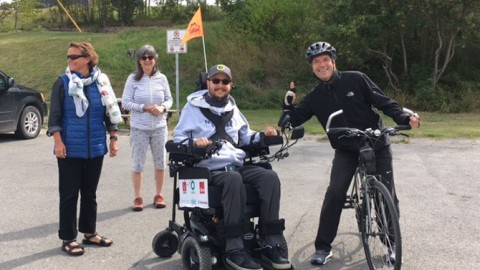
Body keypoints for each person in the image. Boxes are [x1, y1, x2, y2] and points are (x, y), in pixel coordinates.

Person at [283, 41, 421, 266]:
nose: (321, 65)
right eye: (316, 62)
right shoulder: (315, 97)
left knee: (385, 194)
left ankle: (392, 243)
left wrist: (404, 118)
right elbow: (293, 120)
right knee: (335, 193)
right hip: (346, 149)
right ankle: (323, 247)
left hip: (376, 143)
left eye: (325, 60)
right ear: (312, 67)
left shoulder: (356, 78)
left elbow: (384, 102)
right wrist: (288, 107)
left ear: (333, 61)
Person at [174, 64, 291, 270]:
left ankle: (270, 240)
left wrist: (264, 136)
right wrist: (195, 144)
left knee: (268, 177)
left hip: (234, 165)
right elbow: (179, 139)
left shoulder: (232, 109)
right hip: (208, 169)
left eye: (225, 82)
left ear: (231, 85)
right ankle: (234, 249)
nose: (220, 85)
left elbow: (246, 136)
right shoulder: (192, 108)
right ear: (208, 83)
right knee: (233, 180)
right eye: (216, 81)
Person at [47, 42, 120, 256]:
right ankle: (68, 238)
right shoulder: (62, 83)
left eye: (73, 57)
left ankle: (89, 232)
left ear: (87, 58)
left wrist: (113, 138)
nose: (69, 61)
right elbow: (55, 117)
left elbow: (110, 111)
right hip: (70, 149)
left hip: (95, 148)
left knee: (90, 193)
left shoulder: (101, 82)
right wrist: (58, 142)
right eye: (67, 57)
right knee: (69, 195)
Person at [121, 44, 173, 211]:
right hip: (139, 127)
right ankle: (137, 197)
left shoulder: (162, 78)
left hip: (159, 127)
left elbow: (169, 99)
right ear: (139, 61)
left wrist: (162, 108)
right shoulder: (133, 79)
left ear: (155, 60)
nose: (148, 60)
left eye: (150, 57)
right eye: (144, 58)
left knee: (160, 163)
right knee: (137, 164)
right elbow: (126, 103)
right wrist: (144, 107)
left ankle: (159, 194)